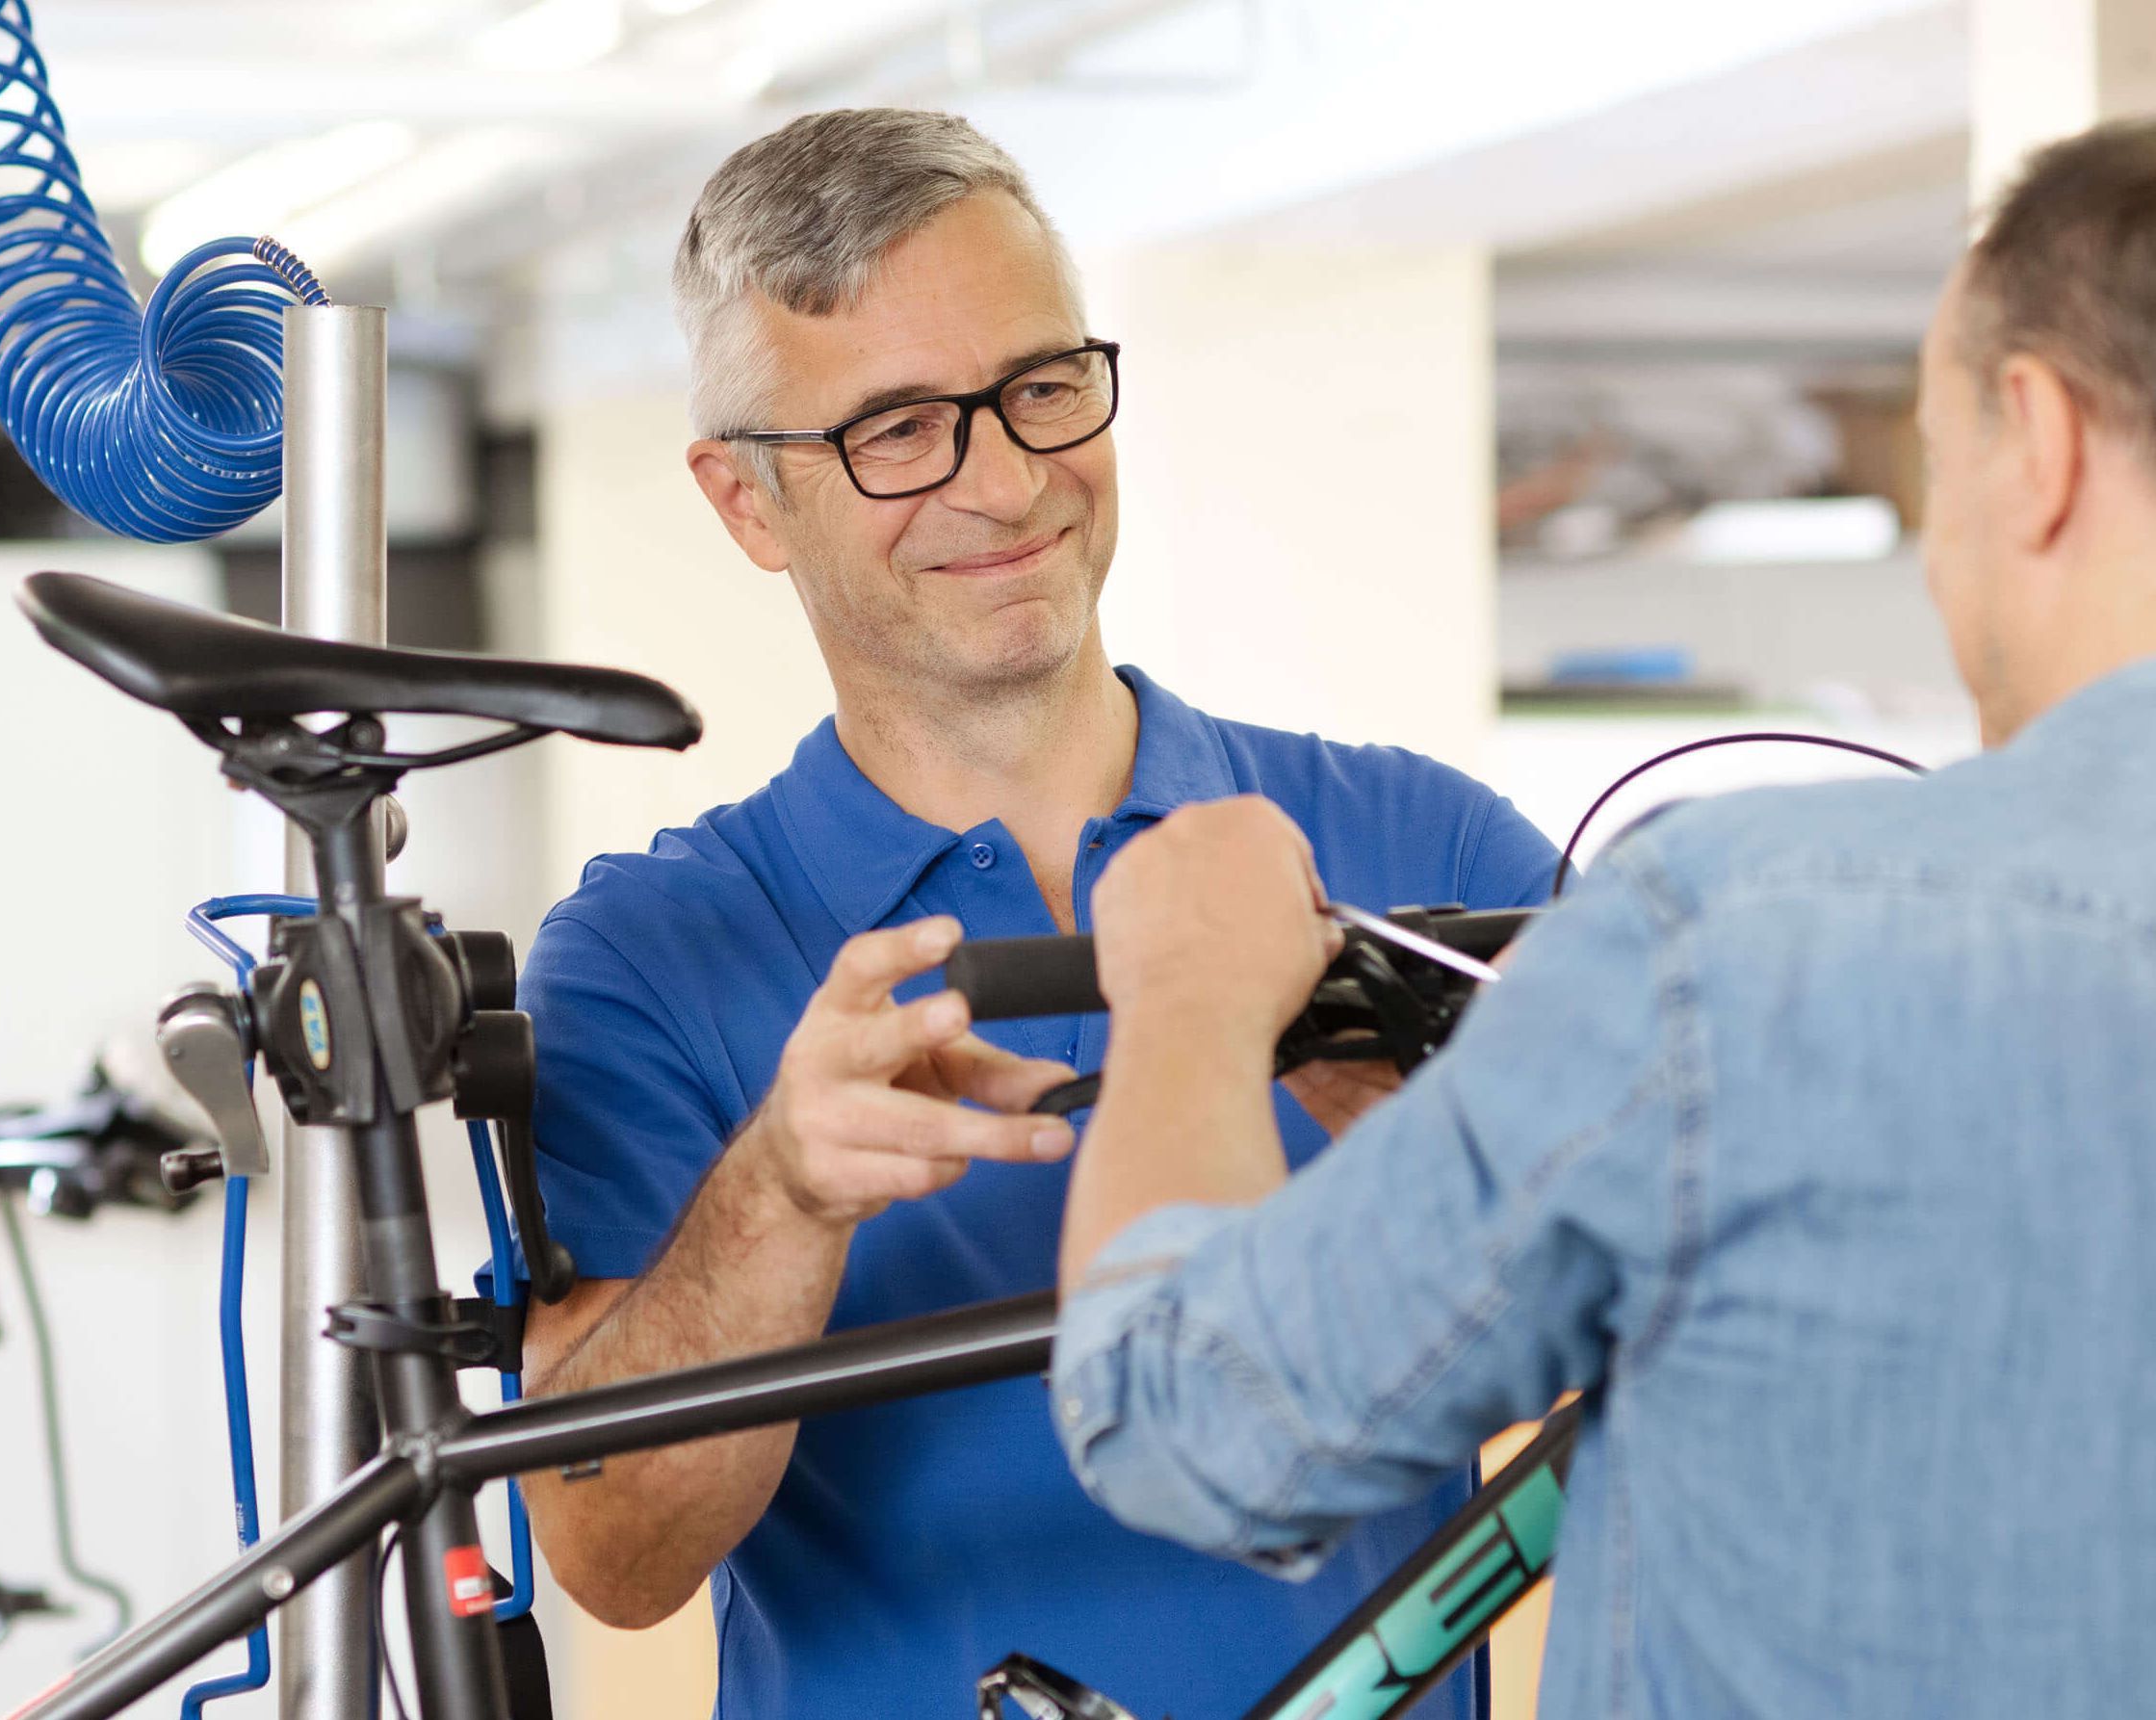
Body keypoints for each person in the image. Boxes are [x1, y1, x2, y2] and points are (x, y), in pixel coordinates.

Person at [1050, 116, 2156, 1718]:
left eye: (1934, 454)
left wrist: (1194, 986)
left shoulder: (1732, 953)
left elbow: (1198, 1425)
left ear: (2038, 441)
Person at [511, 109, 1557, 1719]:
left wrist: (1451, 1171)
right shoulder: (654, 954)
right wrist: (784, 1193)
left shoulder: (1418, 845)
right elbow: (615, 1553)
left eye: (1042, 387)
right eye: (899, 429)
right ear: (746, 503)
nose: (1004, 479)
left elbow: (1688, 1349)